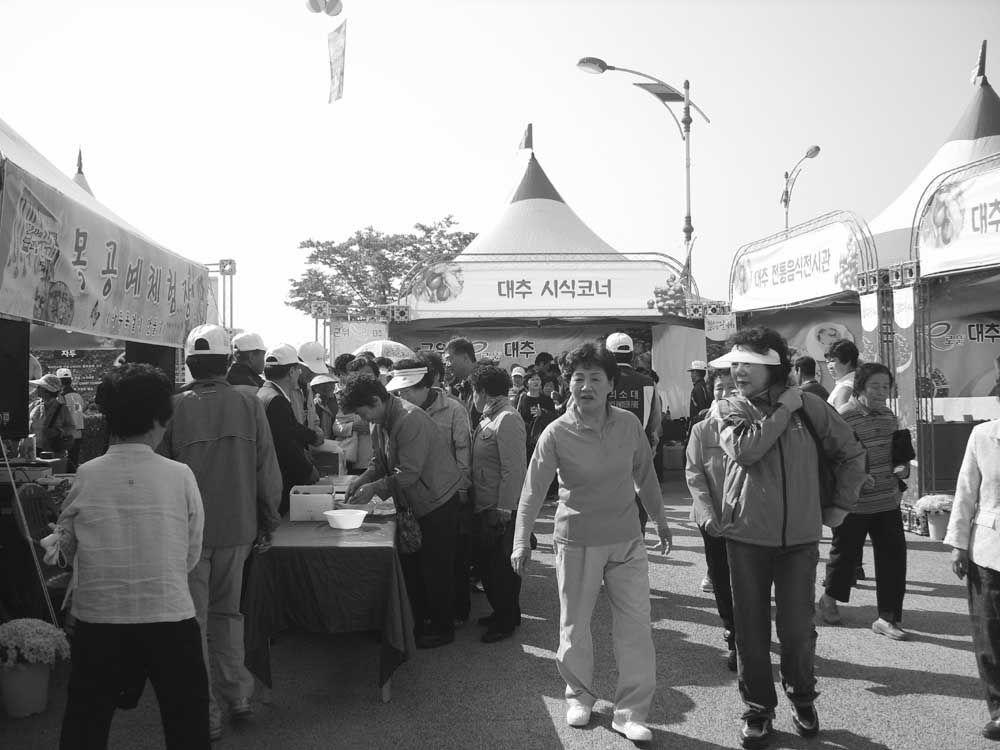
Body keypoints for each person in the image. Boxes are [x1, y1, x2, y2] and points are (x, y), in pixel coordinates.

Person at [710, 327, 867, 748]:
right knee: (751, 629)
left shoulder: (812, 408)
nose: (738, 370)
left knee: (797, 628)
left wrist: (840, 505)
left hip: (799, 539)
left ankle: (802, 696)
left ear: (773, 365)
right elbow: (746, 451)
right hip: (745, 537)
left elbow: (852, 452)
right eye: (735, 363)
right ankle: (758, 708)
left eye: (748, 363)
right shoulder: (729, 406)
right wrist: (782, 408)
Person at [511, 343, 672, 743]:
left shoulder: (629, 425)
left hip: (626, 543)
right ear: (568, 383)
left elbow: (645, 476)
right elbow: (533, 490)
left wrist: (660, 520)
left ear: (610, 384)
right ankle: (578, 695)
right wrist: (521, 542)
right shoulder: (556, 431)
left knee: (635, 628)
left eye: (595, 378)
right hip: (577, 541)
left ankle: (631, 711)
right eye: (578, 377)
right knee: (574, 627)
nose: (585, 385)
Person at [45, 364, 210, 750]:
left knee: (86, 722)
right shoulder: (180, 474)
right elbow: (191, 550)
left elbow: (68, 544)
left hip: (99, 618)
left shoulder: (87, 473)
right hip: (169, 613)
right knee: (187, 724)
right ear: (160, 418)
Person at [157, 324, 281, 740]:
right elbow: (267, 469)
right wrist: (268, 518)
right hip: (239, 527)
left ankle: (205, 713)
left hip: (188, 534)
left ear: (189, 362)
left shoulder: (173, 408)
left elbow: (159, 473)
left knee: (193, 621)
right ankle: (238, 697)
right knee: (229, 613)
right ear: (228, 361)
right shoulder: (250, 403)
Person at [341, 374, 464, 649]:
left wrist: (374, 489)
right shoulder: (380, 421)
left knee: (436, 568)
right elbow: (378, 461)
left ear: (375, 401)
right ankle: (417, 622)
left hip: (438, 501)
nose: (365, 419)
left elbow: (408, 473)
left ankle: (443, 628)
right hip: (415, 501)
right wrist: (361, 480)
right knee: (415, 568)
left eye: (364, 412)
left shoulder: (410, 419)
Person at [818, 363, 910, 639]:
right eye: (875, 386)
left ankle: (887, 617)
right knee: (845, 555)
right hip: (854, 503)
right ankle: (829, 599)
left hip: (887, 500)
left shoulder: (889, 417)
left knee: (894, 559)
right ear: (859, 387)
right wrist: (856, 476)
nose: (881, 392)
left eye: (885, 386)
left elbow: (898, 455)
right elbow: (830, 459)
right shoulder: (844, 417)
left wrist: (901, 467)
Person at [386, 359, 474, 626]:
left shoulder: (454, 410)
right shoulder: (401, 413)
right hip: (420, 497)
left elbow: (463, 453)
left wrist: (461, 488)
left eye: (408, 390)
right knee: (429, 562)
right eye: (399, 391)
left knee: (449, 561)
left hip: (447, 494)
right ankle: (433, 613)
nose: (403, 396)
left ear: (427, 385)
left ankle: (456, 614)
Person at [946, 405, 1000, 741]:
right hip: (989, 550)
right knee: (989, 634)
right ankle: (998, 709)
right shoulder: (983, 435)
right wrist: (958, 543)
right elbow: (966, 490)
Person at [468, 364, 527, 643]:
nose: (472, 397)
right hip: (485, 506)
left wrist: (504, 509)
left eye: (474, 391)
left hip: (499, 509)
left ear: (482, 392)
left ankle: (506, 621)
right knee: (491, 568)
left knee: (501, 570)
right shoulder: (489, 418)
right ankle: (503, 613)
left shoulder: (507, 419)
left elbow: (513, 470)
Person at [686, 368, 738, 671]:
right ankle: (733, 632)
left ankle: (749, 630)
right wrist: (707, 515)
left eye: (732, 388)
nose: (725, 394)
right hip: (712, 520)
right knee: (720, 576)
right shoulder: (702, 430)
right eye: (719, 388)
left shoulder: (754, 426)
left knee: (746, 579)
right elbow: (694, 474)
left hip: (748, 519)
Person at [605, 332, 664, 535]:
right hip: (640, 447)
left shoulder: (601, 381)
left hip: (604, 448)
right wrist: (653, 442)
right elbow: (656, 418)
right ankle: (637, 534)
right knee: (639, 492)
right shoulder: (648, 382)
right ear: (631, 356)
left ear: (608, 355)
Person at [258, 344, 321, 515]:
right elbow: (286, 444)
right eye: (298, 369)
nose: (300, 373)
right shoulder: (276, 400)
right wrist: (308, 470)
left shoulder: (264, 393)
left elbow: (291, 428)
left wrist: (311, 436)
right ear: (292, 372)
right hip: (281, 479)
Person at [28, 374, 75, 458]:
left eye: (40, 387)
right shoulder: (34, 405)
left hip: (52, 453)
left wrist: (59, 431)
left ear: (47, 390)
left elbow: (71, 428)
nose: (37, 388)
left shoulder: (62, 408)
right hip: (33, 451)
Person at [56, 368, 86, 471]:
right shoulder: (78, 396)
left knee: (65, 465)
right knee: (74, 462)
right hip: (78, 434)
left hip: (66, 435)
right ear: (70, 380)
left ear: (59, 382)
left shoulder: (61, 397)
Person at [445, 337, 479, 418]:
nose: (448, 364)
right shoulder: (464, 385)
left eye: (451, 359)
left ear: (465, 358)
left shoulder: (483, 381)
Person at [825, 339, 860, 409]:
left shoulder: (847, 386)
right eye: (827, 362)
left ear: (848, 361)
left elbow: (842, 417)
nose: (829, 367)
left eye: (832, 361)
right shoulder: (849, 381)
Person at [310, 373, 340, 440]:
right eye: (327, 385)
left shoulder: (337, 401)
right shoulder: (315, 404)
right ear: (317, 388)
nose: (331, 387)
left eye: (332, 384)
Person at [687, 360, 712, 430]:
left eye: (692, 372)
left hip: (699, 425)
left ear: (696, 372)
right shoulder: (705, 386)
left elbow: (702, 410)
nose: (691, 374)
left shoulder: (698, 388)